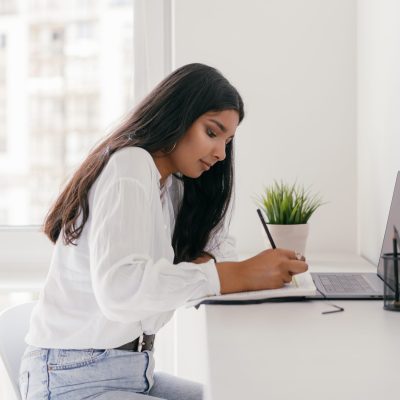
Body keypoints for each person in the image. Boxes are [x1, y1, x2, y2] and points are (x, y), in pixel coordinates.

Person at [19, 63, 308, 400]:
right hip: (73, 377)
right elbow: (121, 292)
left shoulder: (171, 186)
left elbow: (221, 247)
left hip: (129, 372)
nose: (220, 153)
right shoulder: (130, 166)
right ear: (178, 116)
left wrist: (215, 270)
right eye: (212, 133)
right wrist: (231, 276)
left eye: (227, 141)